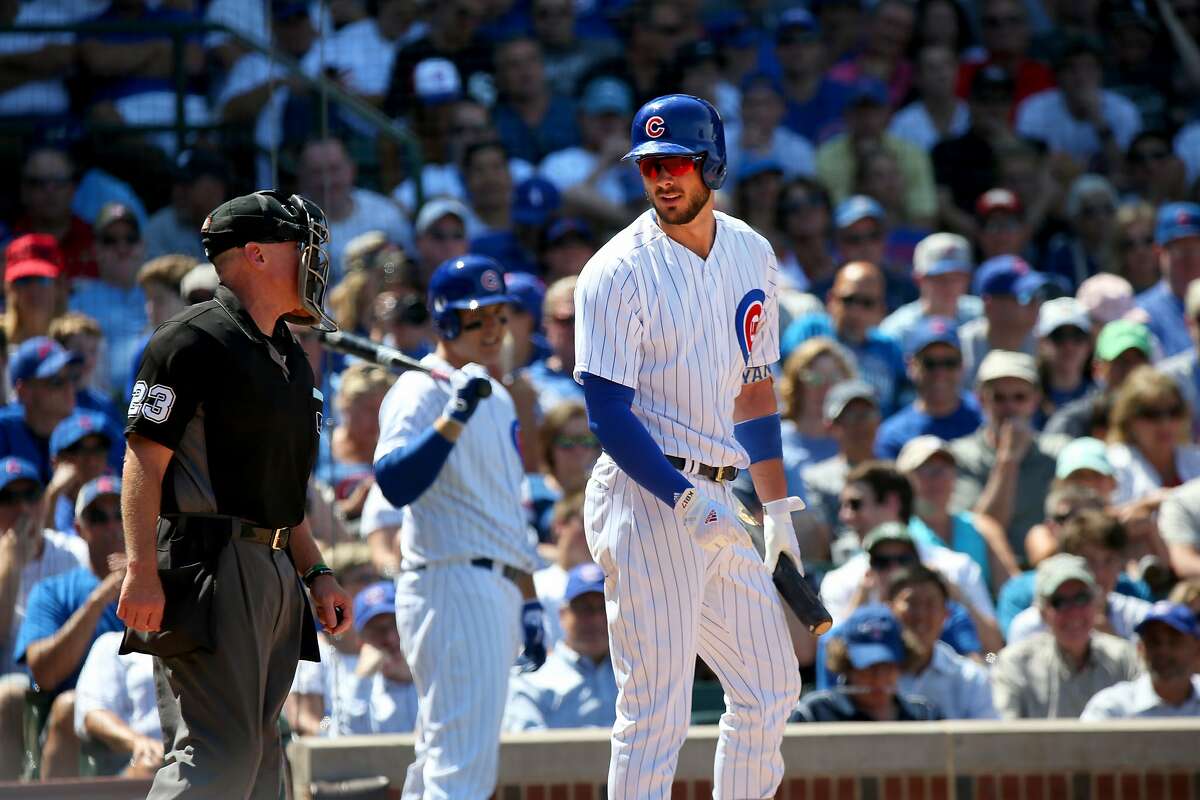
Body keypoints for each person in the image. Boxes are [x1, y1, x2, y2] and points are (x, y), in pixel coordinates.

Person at [574, 94, 803, 800]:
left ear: (712, 163)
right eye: (649, 167)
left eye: (675, 162)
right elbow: (606, 414)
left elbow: (755, 391)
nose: (662, 178)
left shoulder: (751, 252)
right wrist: (682, 501)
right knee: (656, 711)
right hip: (647, 493)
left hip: (720, 490)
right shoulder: (615, 271)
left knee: (771, 686)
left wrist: (778, 511)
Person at [115, 190, 353, 798]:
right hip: (209, 563)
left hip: (274, 566)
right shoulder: (189, 339)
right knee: (216, 753)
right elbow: (143, 459)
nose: (312, 258)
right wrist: (141, 569)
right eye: (300, 244)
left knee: (262, 758)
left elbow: (282, 488)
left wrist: (316, 568)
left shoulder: (289, 356)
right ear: (256, 254)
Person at [372, 254, 545, 799]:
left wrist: (530, 598)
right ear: (447, 321)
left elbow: (506, 514)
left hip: (491, 583)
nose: (493, 330)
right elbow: (395, 482)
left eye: (500, 316)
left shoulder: (492, 399)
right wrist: (453, 416)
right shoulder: (421, 390)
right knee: (462, 769)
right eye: (478, 317)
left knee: (439, 761)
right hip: (451, 583)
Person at [13, 476, 126, 777]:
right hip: (79, 726)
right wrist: (100, 598)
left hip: (147, 711)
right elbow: (44, 675)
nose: (112, 525)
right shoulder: (53, 591)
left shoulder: (160, 587)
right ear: (79, 529)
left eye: (121, 514)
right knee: (70, 704)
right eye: (98, 517)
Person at [950, 350, 1068, 558]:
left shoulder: (1060, 452)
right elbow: (979, 536)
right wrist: (1008, 460)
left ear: (1035, 400)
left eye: (1019, 397)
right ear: (981, 400)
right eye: (999, 398)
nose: (1010, 407)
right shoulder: (960, 456)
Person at [992, 554, 1141, 719]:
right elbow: (1004, 737)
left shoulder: (1125, 658)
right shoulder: (1015, 664)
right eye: (1059, 602)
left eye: (1081, 598)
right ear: (1042, 612)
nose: (1074, 612)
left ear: (1096, 603)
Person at [1007, 510, 1153, 645]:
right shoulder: (1027, 627)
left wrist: (1111, 639)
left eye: (1109, 560)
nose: (1100, 573)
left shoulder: (1143, 618)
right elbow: (992, 658)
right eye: (1089, 561)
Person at [503, 563, 617, 731]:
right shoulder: (533, 680)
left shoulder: (637, 672)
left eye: (604, 608)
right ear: (562, 614)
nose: (596, 619)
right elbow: (526, 749)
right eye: (584, 609)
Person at [898, 436, 1018, 593]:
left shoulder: (983, 527)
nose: (936, 479)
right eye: (925, 470)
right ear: (905, 479)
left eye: (943, 469)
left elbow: (1011, 588)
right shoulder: (900, 534)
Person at [790, 604, 941, 722]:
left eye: (887, 666)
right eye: (868, 667)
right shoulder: (814, 714)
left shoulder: (925, 715)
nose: (879, 677)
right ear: (847, 664)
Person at [887, 565, 998, 719]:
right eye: (911, 602)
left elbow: (988, 738)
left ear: (946, 614)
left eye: (930, 604)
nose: (921, 615)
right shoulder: (869, 675)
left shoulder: (971, 679)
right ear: (889, 608)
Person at [875, 317, 982, 459]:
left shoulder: (985, 417)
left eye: (949, 363)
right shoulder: (893, 435)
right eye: (930, 363)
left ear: (962, 365)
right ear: (911, 366)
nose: (940, 373)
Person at [1081, 601, 1200, 719]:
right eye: (1154, 641)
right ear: (1140, 649)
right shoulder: (1112, 709)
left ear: (1197, 649)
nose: (1163, 650)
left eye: (1174, 641)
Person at [800, 380, 881, 548]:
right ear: (831, 426)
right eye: (850, 417)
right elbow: (821, 544)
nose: (861, 424)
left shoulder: (895, 473)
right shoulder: (816, 479)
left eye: (867, 414)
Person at [1107, 366, 1200, 505]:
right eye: (1151, 414)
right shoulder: (1112, 466)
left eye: (1173, 411)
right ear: (1128, 419)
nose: (1165, 423)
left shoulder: (1196, 459)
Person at [73, 630, 160, 778]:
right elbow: (93, 713)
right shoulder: (112, 644)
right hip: (134, 760)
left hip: (195, 752)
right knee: (150, 765)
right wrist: (139, 742)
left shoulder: (200, 647)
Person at [1045, 319, 1152, 440]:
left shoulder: (1168, 414)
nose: (1131, 371)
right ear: (1099, 367)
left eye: (1138, 362)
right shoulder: (1072, 422)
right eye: (1120, 362)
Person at [337, 581, 418, 736]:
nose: (391, 639)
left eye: (395, 624)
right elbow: (344, 740)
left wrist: (412, 675)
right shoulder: (354, 687)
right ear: (361, 641)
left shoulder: (434, 675)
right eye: (377, 631)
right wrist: (362, 678)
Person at [0, 336, 82, 482]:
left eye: (72, 377)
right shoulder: (4, 432)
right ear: (24, 392)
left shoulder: (85, 431)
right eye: (56, 381)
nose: (69, 388)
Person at [959, 255, 1047, 388]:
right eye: (1025, 297)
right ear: (990, 305)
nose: (1035, 303)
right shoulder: (960, 349)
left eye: (1037, 295)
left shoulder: (1047, 346)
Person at [878, 232, 981, 345]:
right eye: (939, 278)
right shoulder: (896, 331)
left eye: (956, 277)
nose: (949, 285)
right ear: (918, 280)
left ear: (968, 279)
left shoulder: (983, 315)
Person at [1137, 202, 1200, 358]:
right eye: (1178, 250)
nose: (1188, 260)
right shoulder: (1142, 312)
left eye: (1194, 249)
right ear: (1158, 253)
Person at [1033, 297, 1094, 425]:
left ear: (1089, 343)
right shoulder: (1023, 397)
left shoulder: (1101, 397)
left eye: (1077, 336)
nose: (1069, 345)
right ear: (1041, 342)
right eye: (1058, 336)